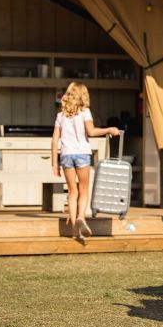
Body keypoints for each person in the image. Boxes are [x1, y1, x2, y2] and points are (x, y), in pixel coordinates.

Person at [51, 82, 120, 243]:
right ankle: (81, 217)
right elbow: (92, 132)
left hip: (66, 155)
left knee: (72, 192)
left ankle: (76, 231)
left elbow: (54, 142)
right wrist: (109, 129)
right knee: (83, 190)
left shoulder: (60, 116)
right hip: (81, 154)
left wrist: (54, 164)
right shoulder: (85, 112)